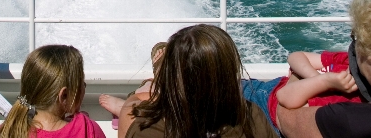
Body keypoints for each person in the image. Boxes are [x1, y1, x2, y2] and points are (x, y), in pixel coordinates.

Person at [277, 0, 371, 138]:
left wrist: (304, 77)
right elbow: (297, 57)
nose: (354, 49)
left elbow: (284, 114)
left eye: (356, 39)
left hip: (273, 104)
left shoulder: (349, 119)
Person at [117, 24, 277, 138]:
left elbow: (132, 107)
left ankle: (157, 80)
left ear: (173, 81)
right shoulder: (251, 117)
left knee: (134, 103)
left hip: (158, 105)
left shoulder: (146, 129)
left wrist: (138, 97)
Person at [0, 44, 106, 138]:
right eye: (82, 84)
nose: (84, 87)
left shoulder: (6, 131)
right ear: (64, 95)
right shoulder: (88, 129)